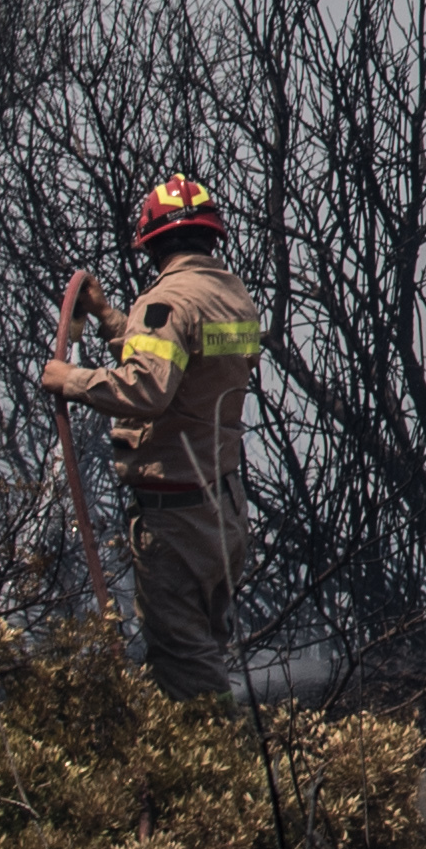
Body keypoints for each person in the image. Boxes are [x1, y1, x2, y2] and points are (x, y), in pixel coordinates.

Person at [38, 175, 264, 695]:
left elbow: (150, 391)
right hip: (222, 510)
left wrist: (69, 380)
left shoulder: (166, 303)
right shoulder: (232, 299)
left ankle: (217, 771)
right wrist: (107, 317)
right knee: (206, 646)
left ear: (151, 244)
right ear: (212, 237)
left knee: (185, 665)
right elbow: (177, 367)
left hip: (176, 516)